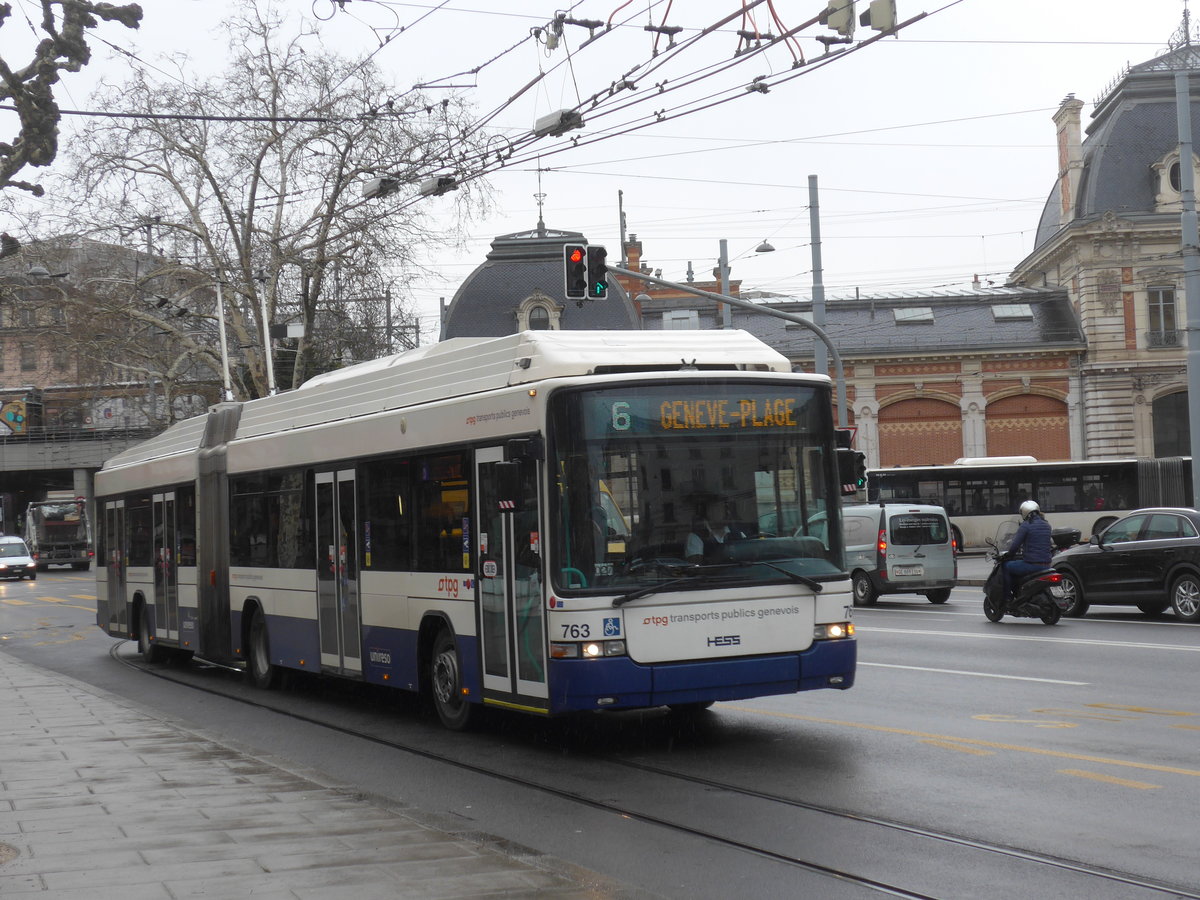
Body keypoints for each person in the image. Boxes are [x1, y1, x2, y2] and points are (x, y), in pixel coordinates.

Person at [1003, 500, 1053, 601]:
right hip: (1047, 565)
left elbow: (1015, 545)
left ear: (1025, 512)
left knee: (1006, 567)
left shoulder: (1026, 525)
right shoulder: (1047, 525)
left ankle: (1008, 598)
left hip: (1032, 565)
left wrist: (1009, 555)